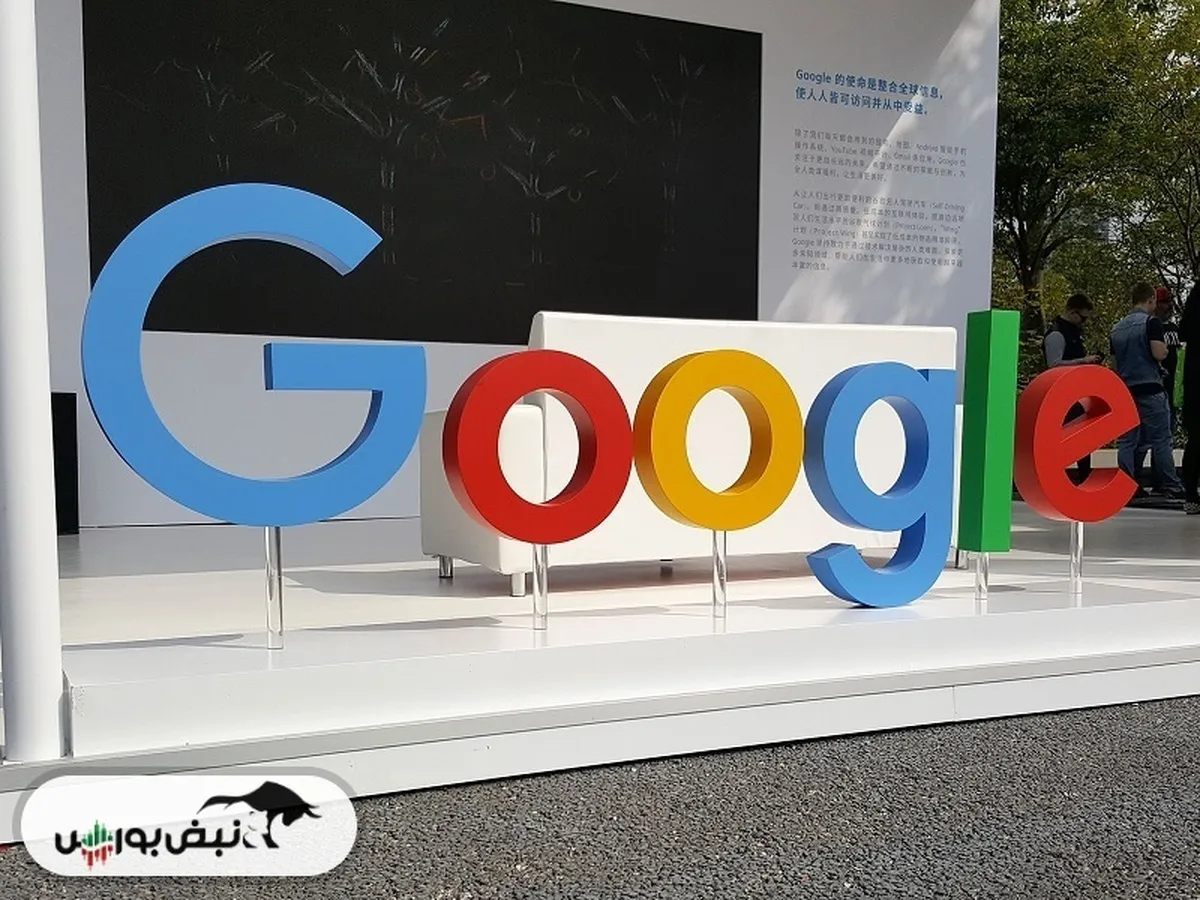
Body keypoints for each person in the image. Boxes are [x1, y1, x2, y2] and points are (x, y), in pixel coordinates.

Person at [1111, 282, 1185, 499]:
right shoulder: (1151, 323)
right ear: (1151, 300)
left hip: (1126, 390)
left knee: (1128, 440)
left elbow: (1114, 365)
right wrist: (1165, 351)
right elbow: (1158, 353)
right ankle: (1171, 485)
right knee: (1161, 439)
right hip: (1150, 386)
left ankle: (1127, 486)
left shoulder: (1117, 328)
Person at [1043, 294, 1102, 483]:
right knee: (1067, 436)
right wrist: (1083, 361)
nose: (1084, 323)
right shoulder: (1057, 334)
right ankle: (1057, 477)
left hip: (1075, 393)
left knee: (1083, 436)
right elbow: (1053, 365)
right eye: (1082, 318)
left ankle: (1084, 476)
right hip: (1061, 395)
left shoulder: (1073, 332)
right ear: (1071, 311)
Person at [1180, 283, 1200, 514]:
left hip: (1194, 379)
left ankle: (1191, 496)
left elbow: (1183, 331)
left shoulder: (1195, 294)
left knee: (1195, 439)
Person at [1155, 287, 1183, 435]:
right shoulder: (1151, 328)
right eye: (1165, 302)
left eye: (1170, 301)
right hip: (1156, 387)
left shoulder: (1175, 329)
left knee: (1170, 429)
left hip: (1173, 387)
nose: (1169, 305)